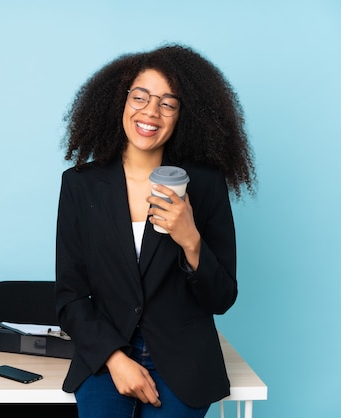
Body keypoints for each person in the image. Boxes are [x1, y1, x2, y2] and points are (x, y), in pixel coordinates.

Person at [55, 44, 256, 418]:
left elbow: (223, 298)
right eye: (140, 97)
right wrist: (115, 359)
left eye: (167, 103)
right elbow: (70, 297)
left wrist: (190, 238)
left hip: (184, 362)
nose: (151, 112)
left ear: (183, 115)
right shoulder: (80, 185)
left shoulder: (207, 185)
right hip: (107, 353)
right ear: (120, 102)